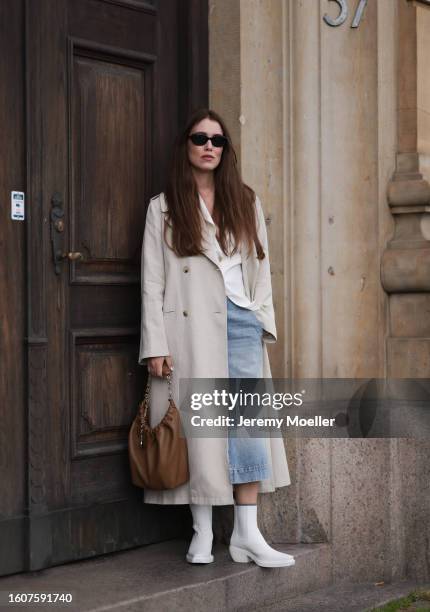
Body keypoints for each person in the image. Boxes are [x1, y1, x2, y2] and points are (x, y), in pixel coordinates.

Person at [138, 108, 294, 568]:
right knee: (199, 430)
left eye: (218, 140)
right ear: (185, 146)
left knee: (247, 428)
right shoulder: (162, 207)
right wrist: (155, 345)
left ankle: (248, 534)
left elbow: (261, 265)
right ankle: (202, 531)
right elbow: (151, 281)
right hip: (189, 330)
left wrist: (260, 316)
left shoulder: (245, 201)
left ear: (226, 151)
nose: (209, 146)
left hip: (240, 323)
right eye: (200, 138)